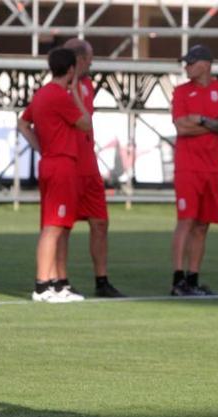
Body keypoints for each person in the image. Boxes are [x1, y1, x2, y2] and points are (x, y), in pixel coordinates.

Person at [18, 47, 92, 303]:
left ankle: (57, 283)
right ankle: (42, 286)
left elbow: (23, 123)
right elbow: (85, 123)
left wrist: (41, 148)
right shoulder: (60, 95)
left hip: (51, 162)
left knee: (59, 226)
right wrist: (76, 94)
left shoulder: (42, 94)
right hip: (62, 165)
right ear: (71, 70)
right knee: (53, 227)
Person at [170, 44, 218, 296]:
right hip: (188, 167)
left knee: (202, 225)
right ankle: (178, 280)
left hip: (214, 167)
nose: (186, 67)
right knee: (186, 221)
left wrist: (198, 120)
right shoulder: (180, 92)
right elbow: (181, 127)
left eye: (190, 62)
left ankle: (193, 279)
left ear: (206, 65)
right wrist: (210, 122)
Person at [62, 38, 124, 298]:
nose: (91, 64)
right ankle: (57, 280)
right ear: (78, 60)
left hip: (90, 167)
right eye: (88, 59)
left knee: (100, 223)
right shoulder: (60, 87)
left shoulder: (87, 84)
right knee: (61, 225)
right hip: (69, 166)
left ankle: (102, 280)